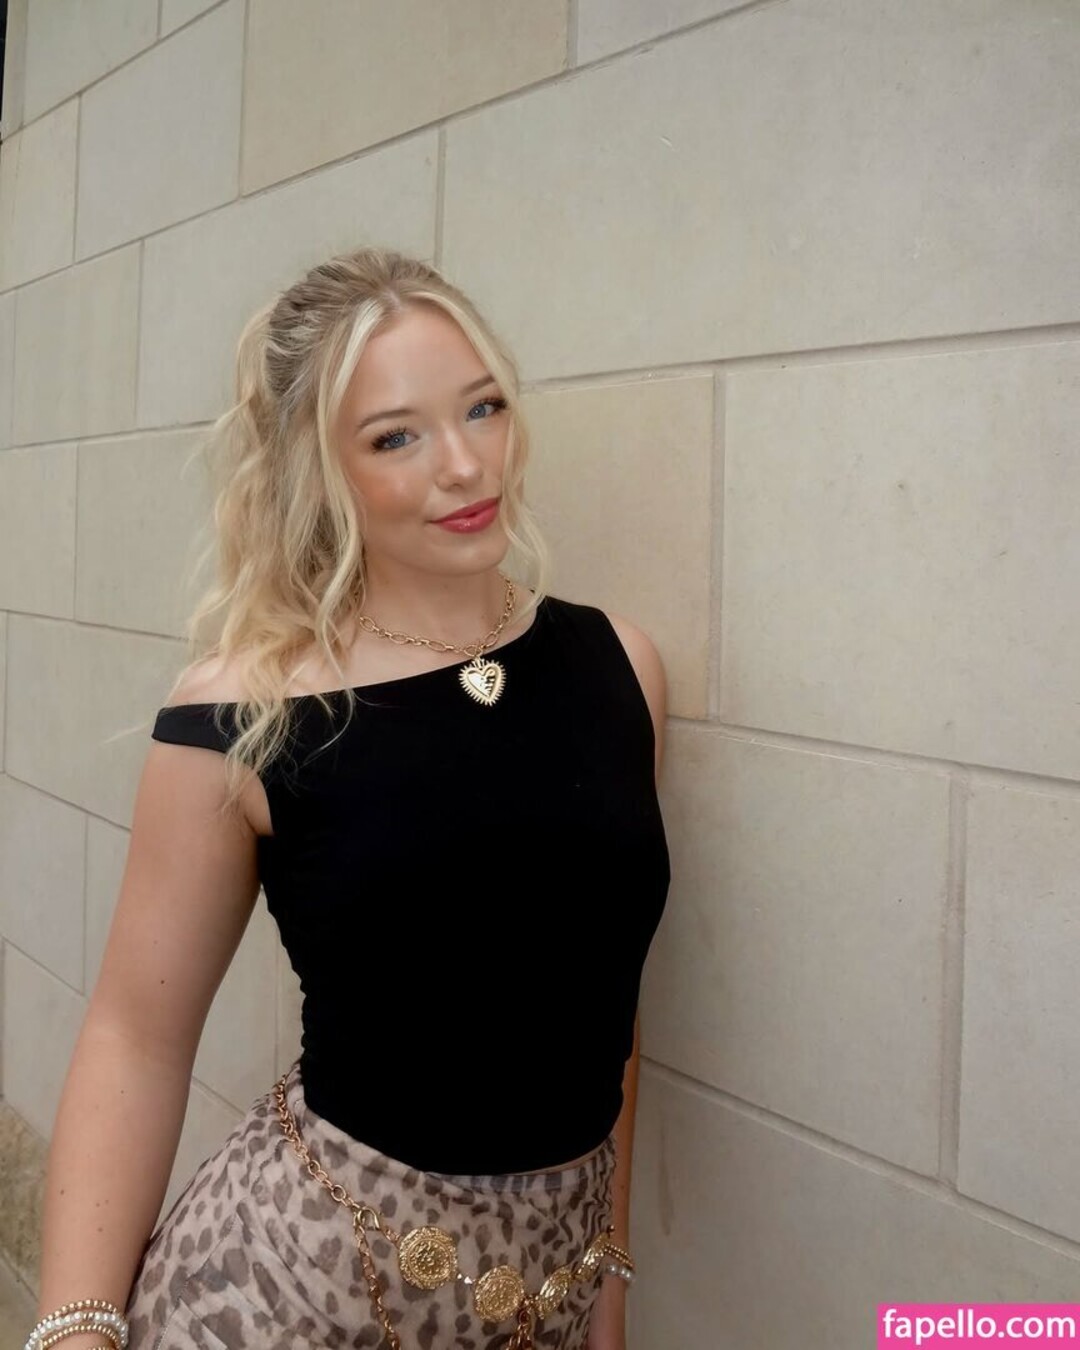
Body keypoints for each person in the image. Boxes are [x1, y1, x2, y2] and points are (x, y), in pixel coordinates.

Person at [29, 248, 670, 1350]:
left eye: (483, 408)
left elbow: (609, 1005)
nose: (464, 464)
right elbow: (136, 1037)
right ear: (317, 468)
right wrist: (75, 1330)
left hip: (543, 1299)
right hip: (292, 1295)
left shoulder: (622, 666)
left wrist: (606, 1284)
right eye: (395, 437)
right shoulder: (245, 714)